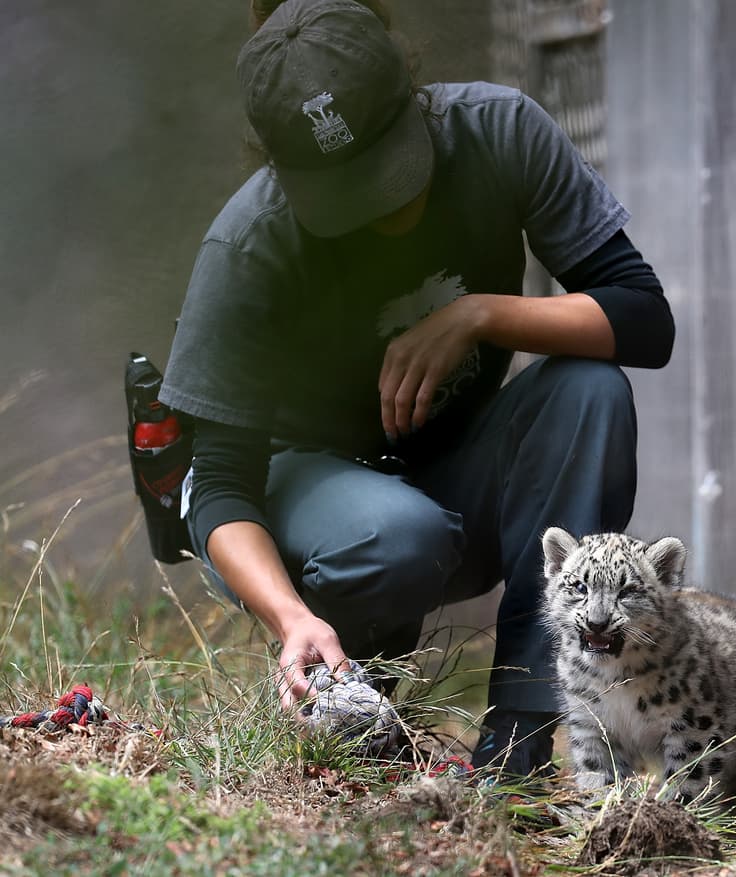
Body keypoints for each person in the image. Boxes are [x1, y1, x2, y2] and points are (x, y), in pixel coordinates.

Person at [158, 0, 673, 777]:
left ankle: (520, 744)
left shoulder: (499, 132)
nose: (385, 206)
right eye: (350, 191)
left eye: (392, 172)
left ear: (414, 91)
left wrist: (482, 315)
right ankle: (352, 707)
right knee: (398, 535)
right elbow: (221, 486)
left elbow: (644, 319)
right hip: (312, 502)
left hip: (456, 474)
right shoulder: (250, 240)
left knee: (589, 391)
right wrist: (292, 616)